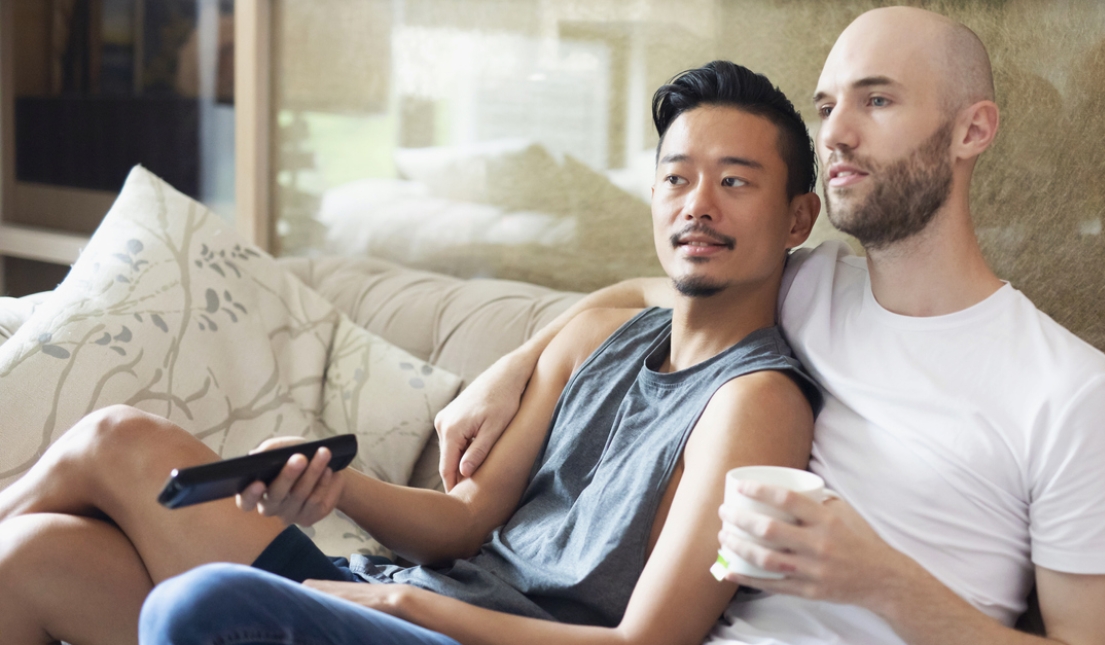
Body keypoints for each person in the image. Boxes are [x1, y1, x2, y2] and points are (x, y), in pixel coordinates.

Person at [0, 61, 823, 645]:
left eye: (737, 181)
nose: (698, 204)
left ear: (796, 220)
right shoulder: (596, 335)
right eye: (678, 178)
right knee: (40, 547)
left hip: (449, 629)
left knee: (196, 606)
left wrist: (402, 603)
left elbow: (647, 642)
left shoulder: (754, 403)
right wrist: (330, 483)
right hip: (397, 597)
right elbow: (466, 523)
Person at [434, 7, 1105, 645]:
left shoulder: (1066, 389)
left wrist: (882, 580)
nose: (836, 133)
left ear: (971, 130)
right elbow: (643, 292)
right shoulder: (808, 283)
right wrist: (513, 367)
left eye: (878, 99)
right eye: (828, 105)